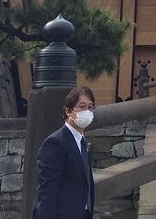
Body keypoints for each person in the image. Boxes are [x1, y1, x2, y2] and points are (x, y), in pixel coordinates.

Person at [33, 86, 96, 219]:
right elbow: (47, 192)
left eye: (90, 107)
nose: (87, 112)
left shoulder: (81, 142)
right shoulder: (55, 143)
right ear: (68, 111)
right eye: (82, 107)